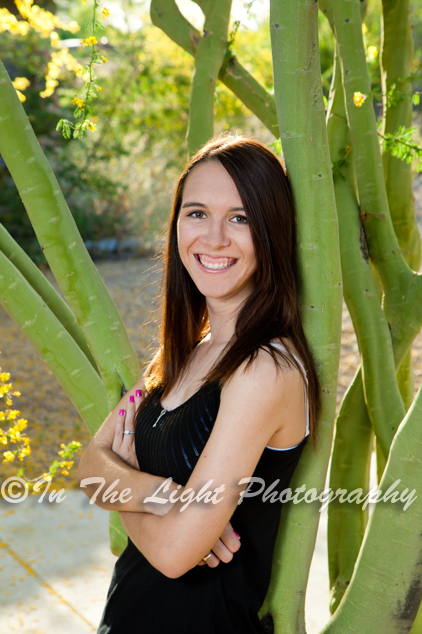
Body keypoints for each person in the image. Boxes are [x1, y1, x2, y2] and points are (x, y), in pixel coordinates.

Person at [78, 134, 321, 634]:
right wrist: (162, 495)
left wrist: (126, 481)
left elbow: (173, 553)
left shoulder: (264, 369)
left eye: (240, 218)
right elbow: (89, 466)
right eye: (196, 213)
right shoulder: (187, 349)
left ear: (272, 230)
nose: (213, 239)